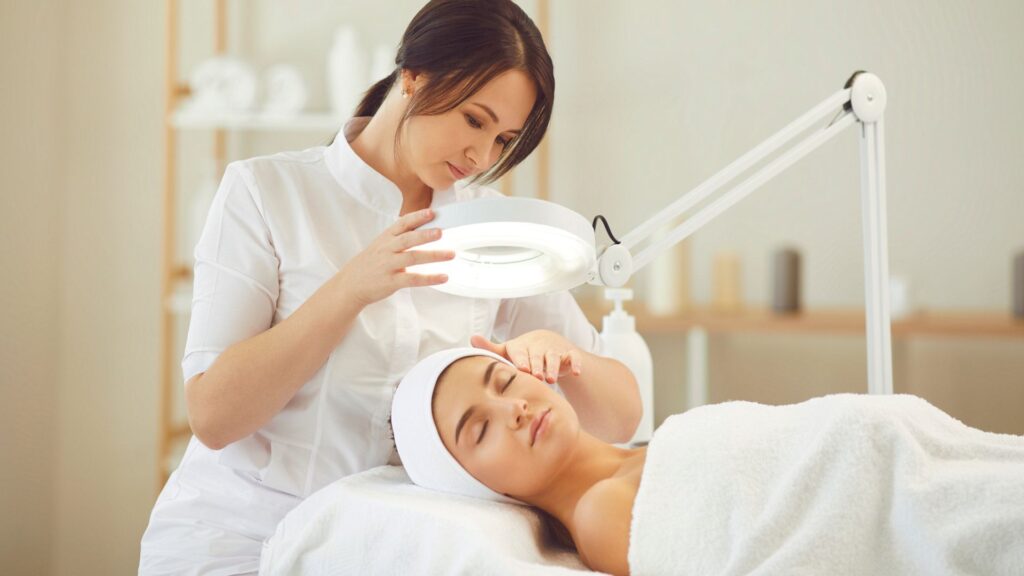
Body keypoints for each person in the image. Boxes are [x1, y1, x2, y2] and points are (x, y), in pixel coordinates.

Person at [139, 1, 641, 574]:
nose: (481, 156)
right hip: (237, 537)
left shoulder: (489, 228)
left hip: (381, 545)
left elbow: (619, 419)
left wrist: (566, 354)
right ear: (414, 74)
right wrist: (349, 289)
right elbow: (213, 416)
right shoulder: (266, 193)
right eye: (474, 120)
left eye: (503, 140)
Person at [392, 347, 1024, 576]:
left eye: (504, 384)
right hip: (889, 492)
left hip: (906, 450)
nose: (514, 411)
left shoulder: (639, 456)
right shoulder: (601, 517)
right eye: (479, 430)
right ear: (473, 484)